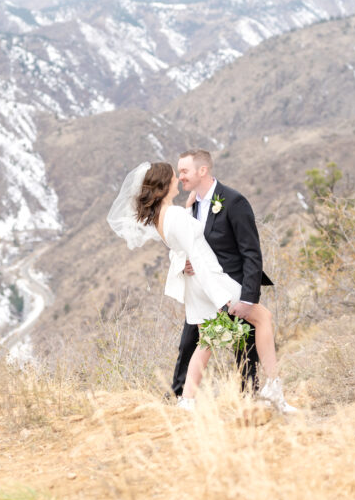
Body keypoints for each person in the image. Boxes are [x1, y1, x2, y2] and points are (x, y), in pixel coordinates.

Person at [107, 160, 296, 412]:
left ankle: (187, 402)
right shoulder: (173, 215)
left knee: (207, 342)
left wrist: (187, 211)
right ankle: (274, 391)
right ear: (164, 185)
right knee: (262, 318)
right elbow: (196, 256)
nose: (178, 180)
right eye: (174, 177)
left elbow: (181, 242)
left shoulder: (162, 217)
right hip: (212, 282)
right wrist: (222, 298)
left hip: (195, 286)